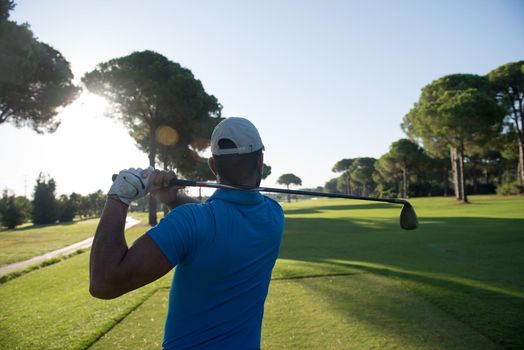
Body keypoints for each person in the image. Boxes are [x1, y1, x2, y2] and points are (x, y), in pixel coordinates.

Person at [89, 117, 285, 349]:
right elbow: (214, 224)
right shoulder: (274, 216)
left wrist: (119, 197)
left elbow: (104, 282)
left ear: (213, 165)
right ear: (260, 161)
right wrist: (174, 199)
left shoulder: (190, 222)